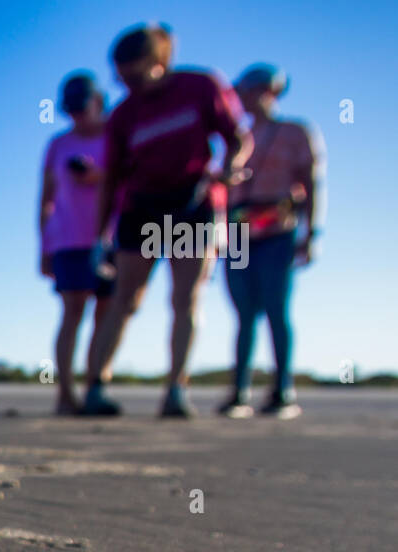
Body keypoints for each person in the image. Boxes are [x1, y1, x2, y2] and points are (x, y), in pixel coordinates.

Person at [81, 24, 252, 417]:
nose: (129, 86)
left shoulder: (201, 86)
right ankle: (96, 386)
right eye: (121, 78)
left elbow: (238, 137)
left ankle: (176, 387)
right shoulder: (123, 115)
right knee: (124, 298)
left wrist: (230, 167)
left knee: (186, 296)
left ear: (159, 62)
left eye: (135, 76)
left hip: (192, 202)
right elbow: (112, 179)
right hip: (141, 206)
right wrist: (99, 237)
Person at [217, 64, 323, 420]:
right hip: (239, 233)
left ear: (270, 91)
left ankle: (282, 391)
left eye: (248, 91)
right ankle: (240, 393)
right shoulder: (238, 136)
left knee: (277, 310)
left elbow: (312, 183)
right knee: (244, 314)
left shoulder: (295, 132)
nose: (243, 99)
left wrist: (313, 233)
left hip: (278, 230)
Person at [39, 73, 115, 414]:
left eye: (81, 109)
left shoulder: (117, 137)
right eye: (70, 111)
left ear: (98, 101)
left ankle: (96, 386)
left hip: (112, 236)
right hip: (68, 239)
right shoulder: (58, 145)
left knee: (109, 313)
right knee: (72, 312)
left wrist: (98, 176)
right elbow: (45, 199)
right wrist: (44, 246)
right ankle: (65, 394)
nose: (76, 117)